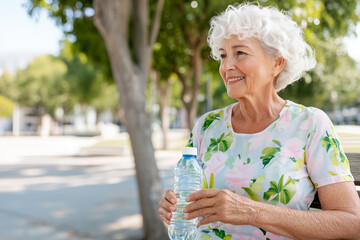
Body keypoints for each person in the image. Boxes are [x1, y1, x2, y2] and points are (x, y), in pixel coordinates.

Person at [158, 3, 360, 240]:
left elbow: (352, 223)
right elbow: (189, 214)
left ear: (277, 63)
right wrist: (174, 211)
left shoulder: (310, 124)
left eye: (240, 53)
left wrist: (248, 211)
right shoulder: (206, 126)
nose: (226, 66)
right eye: (223, 55)